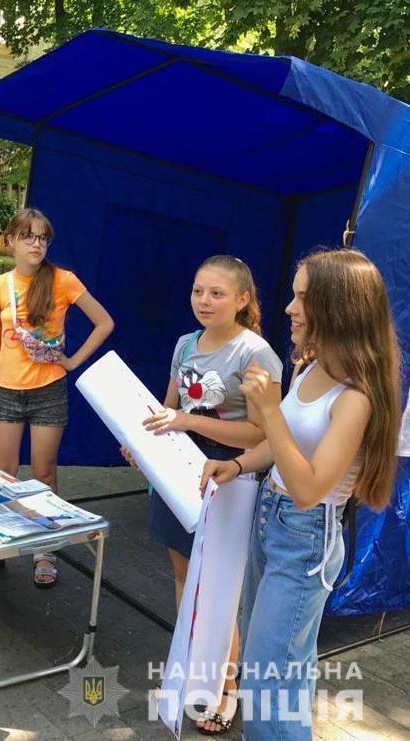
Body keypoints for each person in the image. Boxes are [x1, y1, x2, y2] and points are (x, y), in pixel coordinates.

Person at [201, 249, 400, 740]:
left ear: (340, 308)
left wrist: (267, 412)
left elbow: (311, 488)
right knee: (279, 667)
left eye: (304, 298)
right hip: (270, 517)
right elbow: (281, 445)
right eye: (293, 294)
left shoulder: (356, 397)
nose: (289, 307)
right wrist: (240, 464)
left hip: (305, 534)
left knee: (270, 677)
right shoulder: (310, 368)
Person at [124, 255, 282, 734]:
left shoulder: (257, 356)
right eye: (198, 291)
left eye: (217, 293)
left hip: (231, 478)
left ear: (242, 300)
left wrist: (188, 422)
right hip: (180, 472)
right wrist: (142, 443)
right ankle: (194, 672)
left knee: (219, 588)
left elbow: (264, 435)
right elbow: (166, 409)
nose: (204, 301)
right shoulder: (184, 344)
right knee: (183, 571)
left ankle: (226, 690)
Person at [0, 207, 114, 587]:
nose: (36, 244)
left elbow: (105, 322)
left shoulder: (63, 280)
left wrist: (72, 362)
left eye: (42, 237)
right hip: (6, 392)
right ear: (11, 242)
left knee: (43, 473)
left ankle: (45, 549)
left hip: (48, 391)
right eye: (27, 236)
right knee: (3, 475)